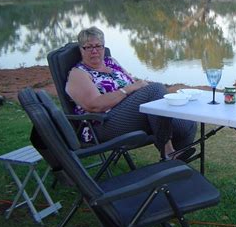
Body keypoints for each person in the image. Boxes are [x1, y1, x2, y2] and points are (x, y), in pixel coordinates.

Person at [65, 26, 197, 159]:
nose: (94, 51)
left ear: (103, 47)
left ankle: (176, 168)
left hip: (132, 116)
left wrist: (138, 87)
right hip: (103, 124)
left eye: (98, 46)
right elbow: (95, 105)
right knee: (155, 89)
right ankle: (167, 151)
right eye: (88, 47)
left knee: (186, 123)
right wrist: (128, 90)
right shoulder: (79, 73)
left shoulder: (111, 62)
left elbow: (133, 83)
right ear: (81, 50)